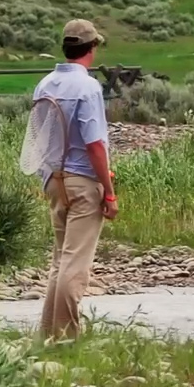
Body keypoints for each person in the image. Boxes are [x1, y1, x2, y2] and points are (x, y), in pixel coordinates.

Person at [24, 19, 118, 339]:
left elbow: (41, 137)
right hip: (82, 182)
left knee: (60, 260)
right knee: (75, 267)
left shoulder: (45, 84)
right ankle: (65, 337)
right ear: (91, 49)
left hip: (54, 180)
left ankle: (48, 335)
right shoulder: (88, 87)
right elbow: (94, 144)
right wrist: (109, 191)